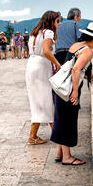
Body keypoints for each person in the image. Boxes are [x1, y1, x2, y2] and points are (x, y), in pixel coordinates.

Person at [51, 23, 93, 165]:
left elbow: (73, 64)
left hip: (60, 87)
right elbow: (75, 70)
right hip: (69, 89)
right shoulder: (87, 51)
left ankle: (59, 153)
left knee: (61, 119)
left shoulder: (77, 45)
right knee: (68, 120)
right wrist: (75, 91)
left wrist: (91, 53)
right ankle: (67, 158)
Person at [26, 11, 62, 145]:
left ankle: (33, 135)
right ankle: (58, 135)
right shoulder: (48, 33)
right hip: (41, 66)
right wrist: (57, 63)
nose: (59, 24)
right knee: (46, 99)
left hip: (31, 64)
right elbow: (47, 50)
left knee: (37, 100)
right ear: (52, 21)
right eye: (57, 21)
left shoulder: (35, 32)